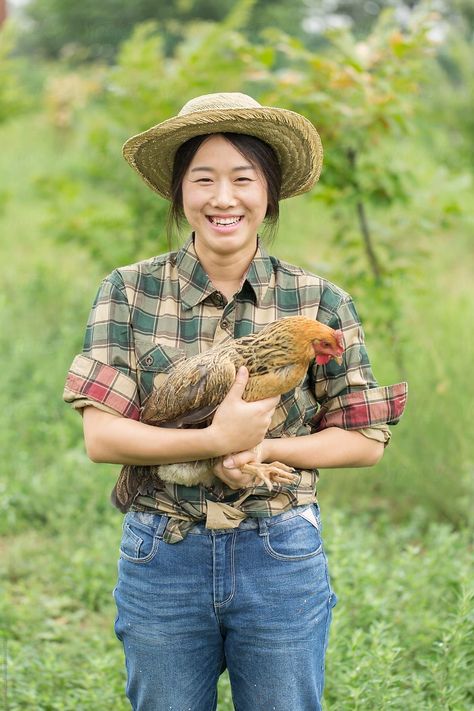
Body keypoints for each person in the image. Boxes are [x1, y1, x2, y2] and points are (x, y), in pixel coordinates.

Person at [63, 92, 407, 711]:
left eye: (243, 179)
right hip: (163, 549)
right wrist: (213, 442)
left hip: (278, 551)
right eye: (204, 179)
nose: (224, 198)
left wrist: (263, 446)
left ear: (269, 194)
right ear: (179, 194)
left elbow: (363, 441)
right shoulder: (128, 291)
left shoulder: (320, 301)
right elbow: (103, 438)